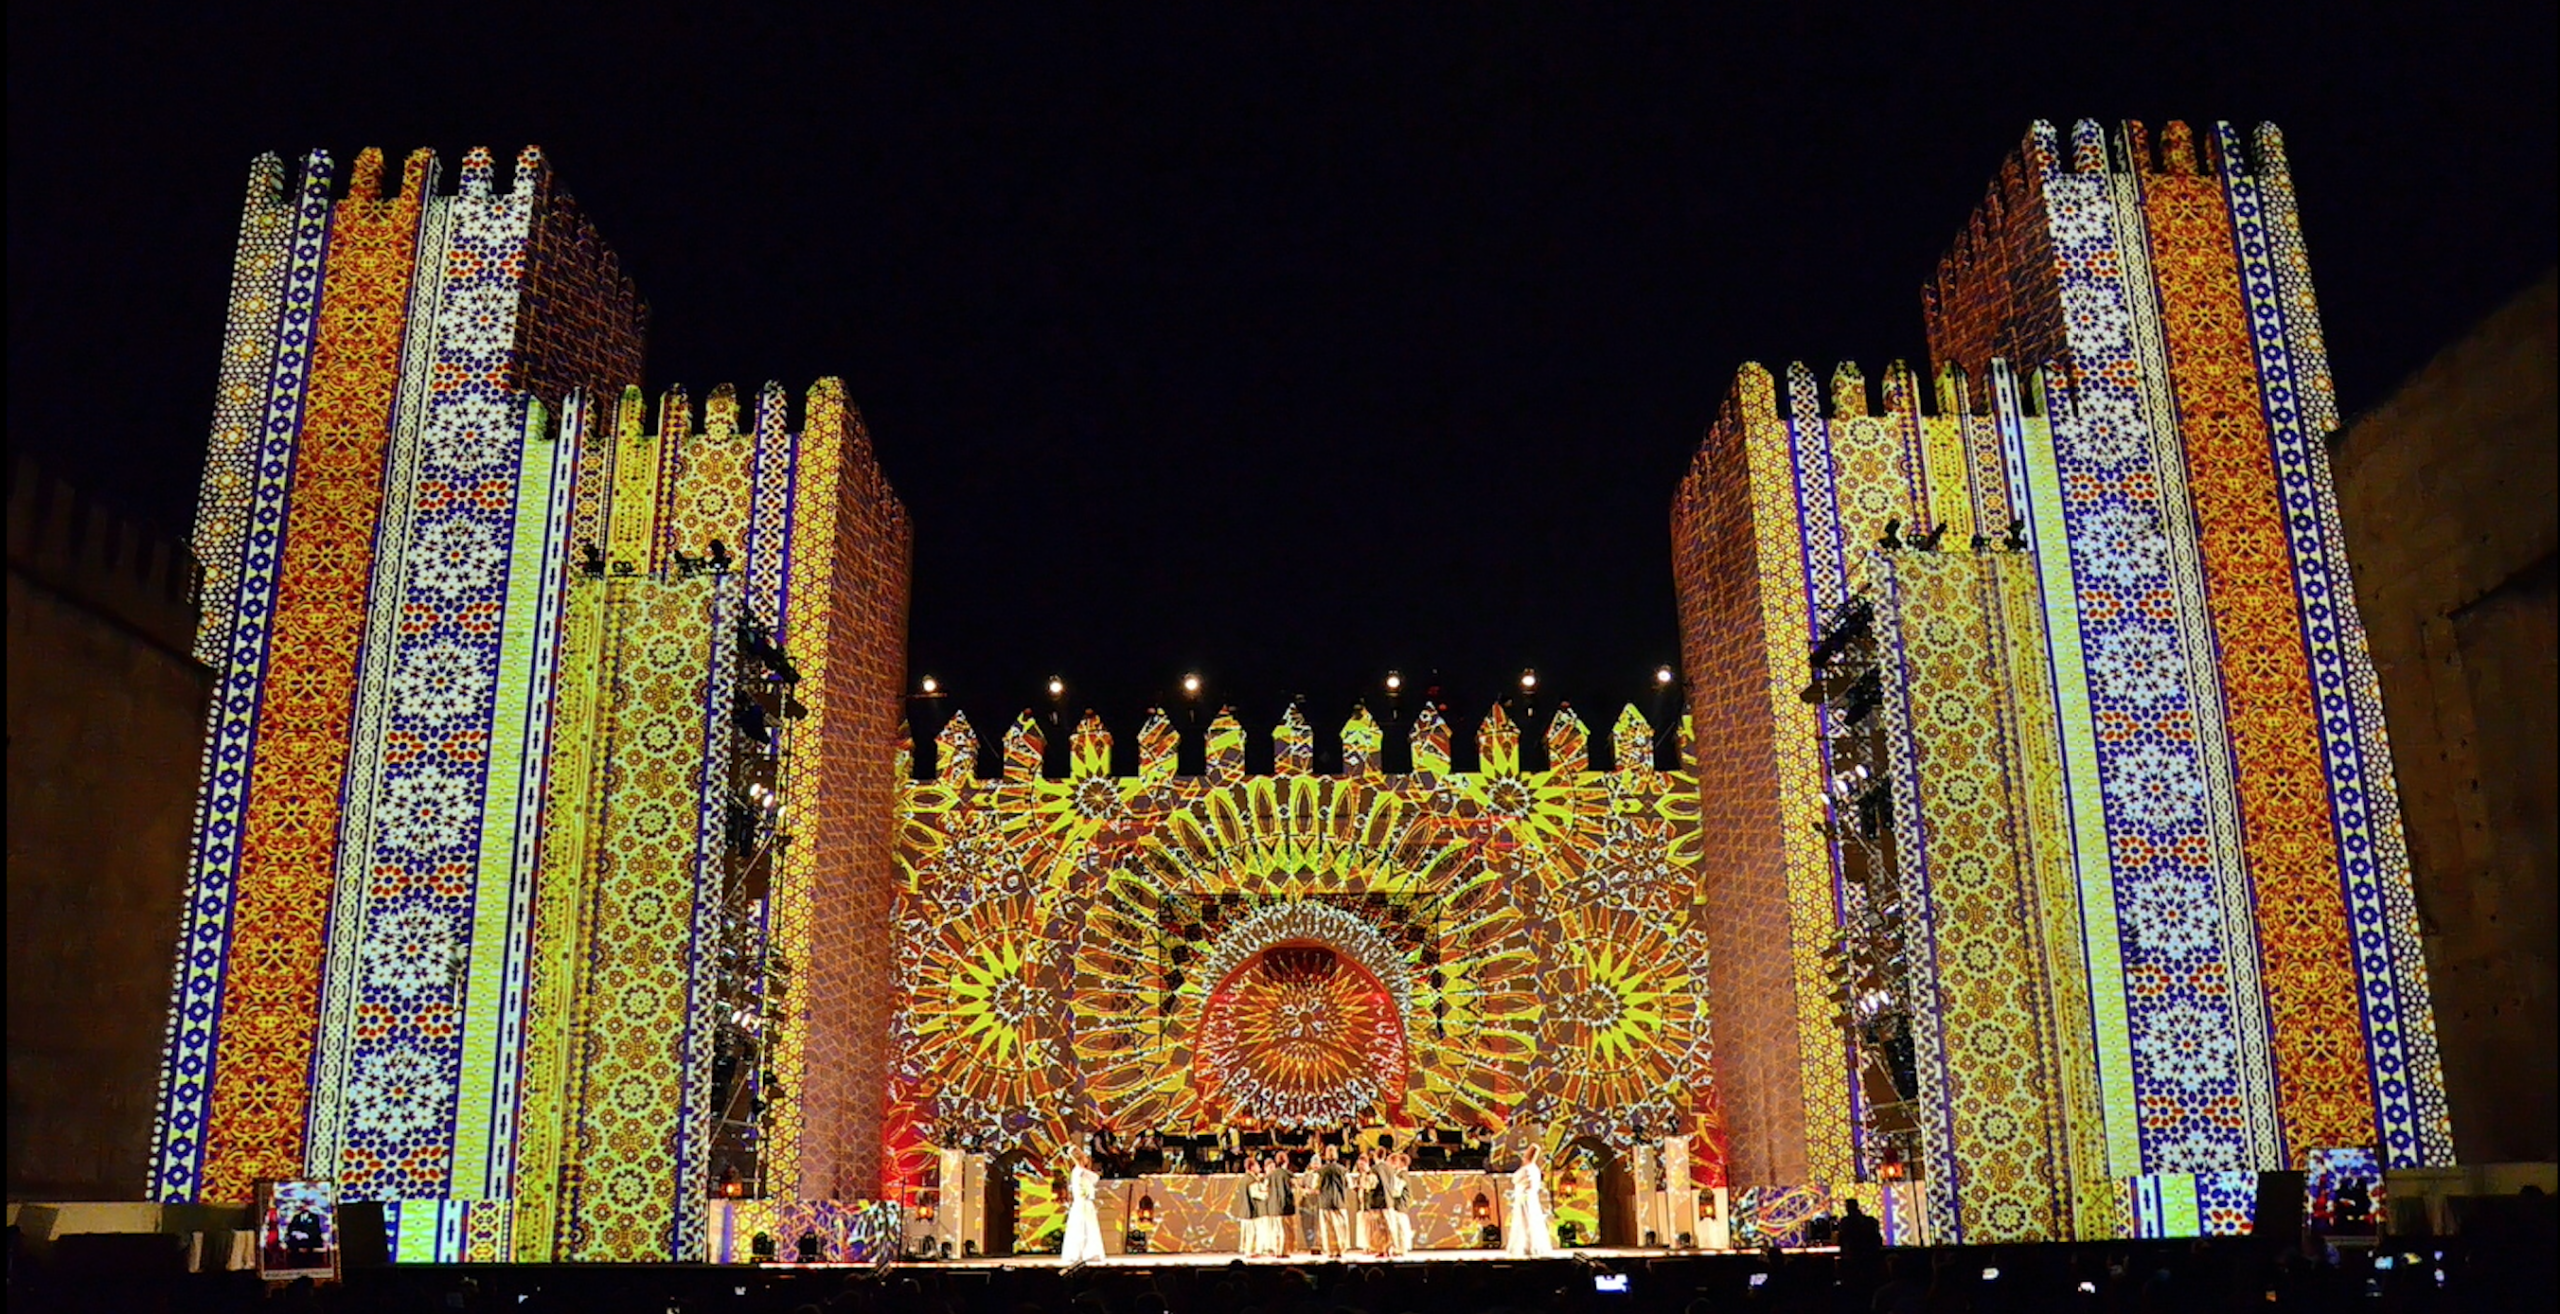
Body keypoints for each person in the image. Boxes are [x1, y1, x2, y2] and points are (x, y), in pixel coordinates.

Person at [1504, 1143, 1554, 1257]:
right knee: (1530, 1221)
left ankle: (1527, 1246)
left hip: (1524, 1199)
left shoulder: (1526, 1169)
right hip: (1530, 1198)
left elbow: (1515, 1179)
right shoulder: (1535, 1169)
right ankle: (1529, 1246)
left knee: (1524, 1222)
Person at [1061, 1150, 1107, 1264]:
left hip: (1082, 1202)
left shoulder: (1078, 1171)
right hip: (1083, 1202)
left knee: (1083, 1227)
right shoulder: (1080, 1171)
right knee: (1084, 1227)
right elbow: (1095, 1178)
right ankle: (1083, 1252)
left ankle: (1083, 1252)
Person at [1313, 1145, 1352, 1257]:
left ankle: (1330, 1251)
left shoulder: (1320, 1171)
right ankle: (1341, 1250)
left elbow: (1315, 1186)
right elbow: (1349, 1184)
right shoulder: (1343, 1170)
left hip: (1325, 1203)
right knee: (1341, 1228)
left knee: (1327, 1229)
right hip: (1340, 1202)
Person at [1381, 1149, 1414, 1256]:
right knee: (1399, 1226)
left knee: (1401, 1227)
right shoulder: (1401, 1174)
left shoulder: (1402, 1175)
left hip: (1400, 1204)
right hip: (1400, 1204)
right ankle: (1399, 1247)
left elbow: (1396, 1191)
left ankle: (1402, 1248)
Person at [1266, 1150, 1298, 1256]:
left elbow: (1265, 1188)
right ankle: (1285, 1251)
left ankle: (1276, 1250)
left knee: (1276, 1230)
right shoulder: (1289, 1174)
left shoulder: (1270, 1175)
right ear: (1286, 1161)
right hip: (1286, 1207)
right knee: (1286, 1231)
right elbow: (1295, 1188)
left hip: (1273, 1207)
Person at [1236, 1155, 1267, 1255]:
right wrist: (1267, 1195)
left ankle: (1248, 1250)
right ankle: (1250, 1251)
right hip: (1251, 1210)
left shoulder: (1243, 1180)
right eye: (1257, 1165)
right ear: (1252, 1167)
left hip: (1244, 1210)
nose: (1260, 1168)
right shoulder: (1251, 1180)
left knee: (1247, 1233)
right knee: (1251, 1232)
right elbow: (1255, 1194)